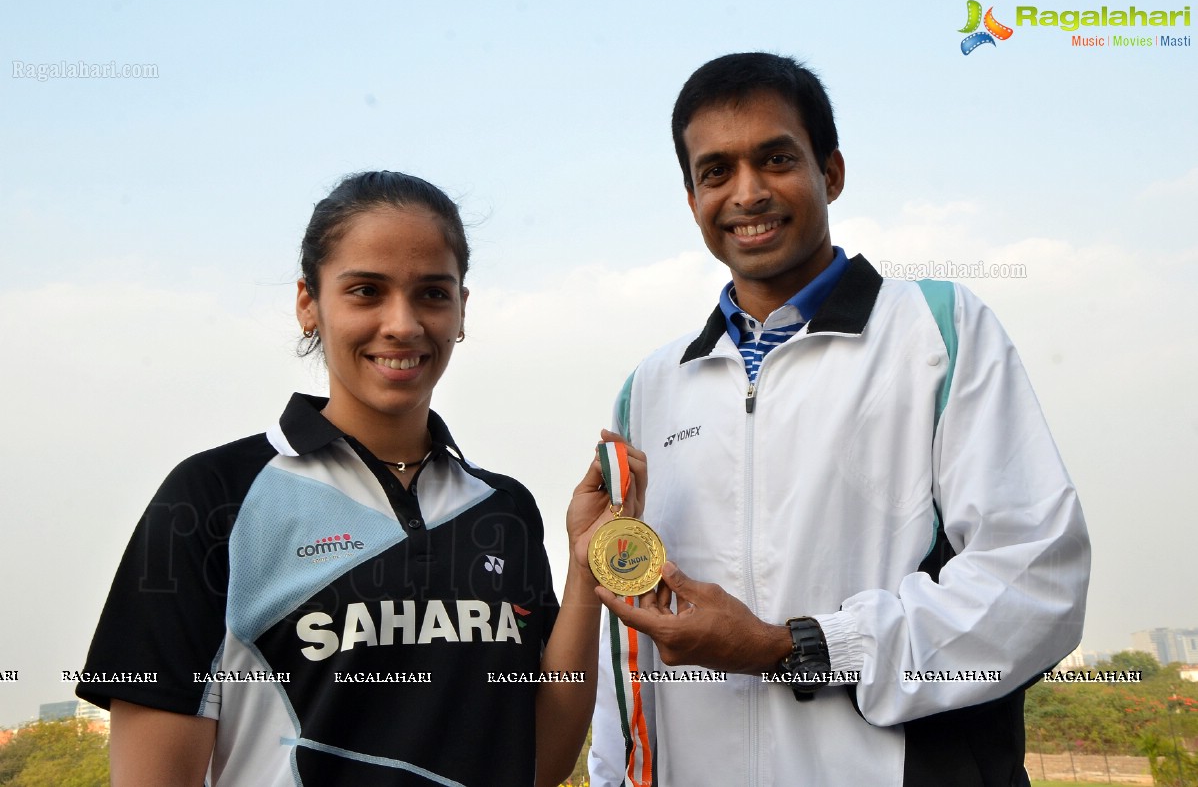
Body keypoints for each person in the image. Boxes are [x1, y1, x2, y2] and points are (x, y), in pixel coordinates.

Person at [589, 53, 1090, 786]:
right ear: (692, 197)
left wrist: (795, 646)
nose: (748, 193)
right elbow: (626, 634)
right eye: (716, 171)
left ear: (832, 173)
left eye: (776, 158)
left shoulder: (939, 330)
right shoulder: (650, 387)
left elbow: (1035, 579)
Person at [77, 170, 645, 787]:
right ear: (308, 303)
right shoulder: (214, 497)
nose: (402, 324)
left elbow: (539, 762)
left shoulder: (503, 508)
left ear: (460, 310)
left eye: (432, 293)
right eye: (366, 292)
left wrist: (585, 571)